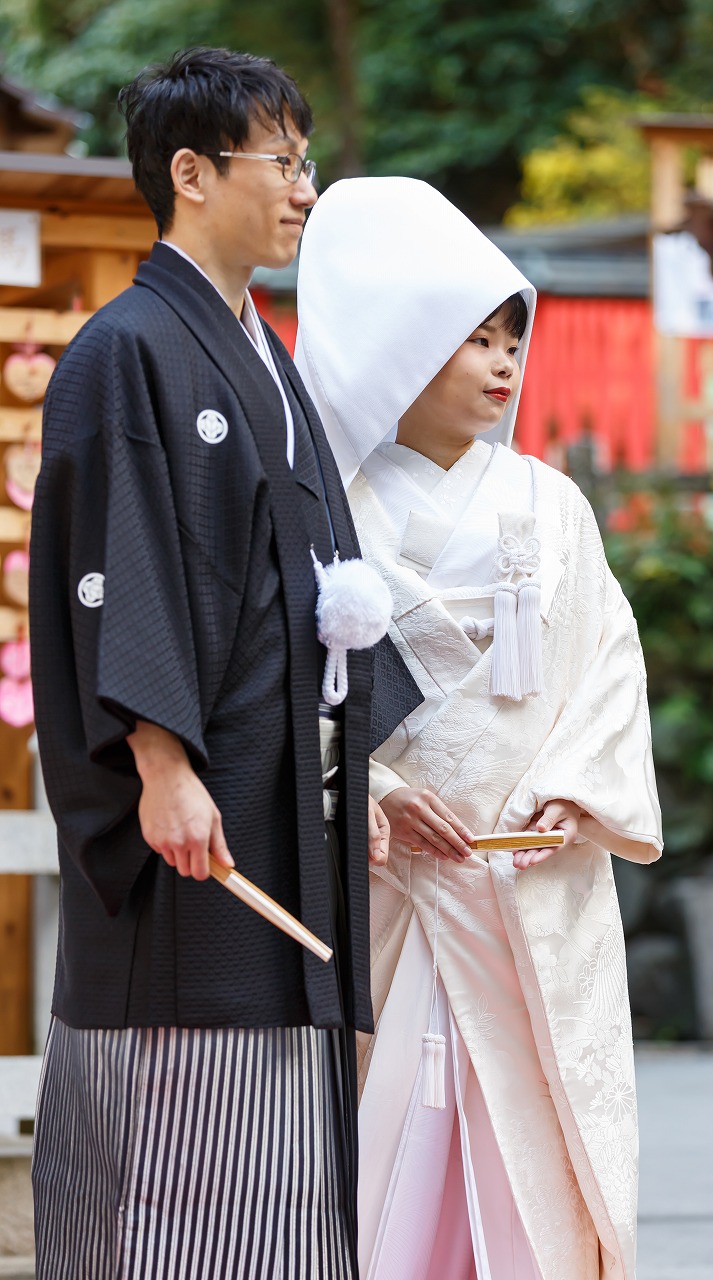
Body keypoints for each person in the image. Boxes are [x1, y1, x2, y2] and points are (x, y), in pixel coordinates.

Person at [28, 50, 419, 1280]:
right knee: (180, 1146)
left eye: (307, 162)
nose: (306, 189)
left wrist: (348, 769)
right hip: (198, 802)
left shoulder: (261, 354)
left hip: (276, 794)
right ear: (191, 174)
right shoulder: (126, 348)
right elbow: (119, 564)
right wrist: (157, 760)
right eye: (283, 162)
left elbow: (316, 585)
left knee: (287, 1157)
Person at [295, 177, 663, 1280]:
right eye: (475, 340)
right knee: (384, 1129)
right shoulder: (328, 507)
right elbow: (281, 685)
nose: (504, 364)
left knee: (530, 1137)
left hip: (529, 872)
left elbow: (607, 658)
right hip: (389, 875)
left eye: (512, 340)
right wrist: (362, 790)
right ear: (402, 346)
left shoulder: (553, 504)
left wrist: (578, 789)